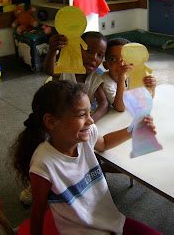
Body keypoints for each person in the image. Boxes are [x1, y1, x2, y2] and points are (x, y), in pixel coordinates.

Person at [11, 80, 160, 235]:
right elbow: (38, 211)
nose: (90, 120)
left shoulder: (86, 136)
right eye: (82, 114)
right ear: (51, 121)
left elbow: (104, 143)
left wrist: (134, 129)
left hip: (110, 221)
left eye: (90, 112)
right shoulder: (44, 164)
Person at [44, 31, 108, 123]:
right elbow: (49, 70)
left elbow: (104, 104)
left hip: (78, 122)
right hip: (59, 119)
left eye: (100, 55)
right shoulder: (66, 68)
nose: (94, 57)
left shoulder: (95, 78)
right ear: (75, 49)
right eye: (89, 51)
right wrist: (52, 51)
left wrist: (89, 121)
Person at [102, 38, 157, 112]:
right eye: (113, 59)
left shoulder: (134, 75)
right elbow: (120, 107)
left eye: (125, 58)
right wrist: (121, 78)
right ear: (105, 65)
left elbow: (147, 98)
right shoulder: (105, 81)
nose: (121, 64)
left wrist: (151, 88)